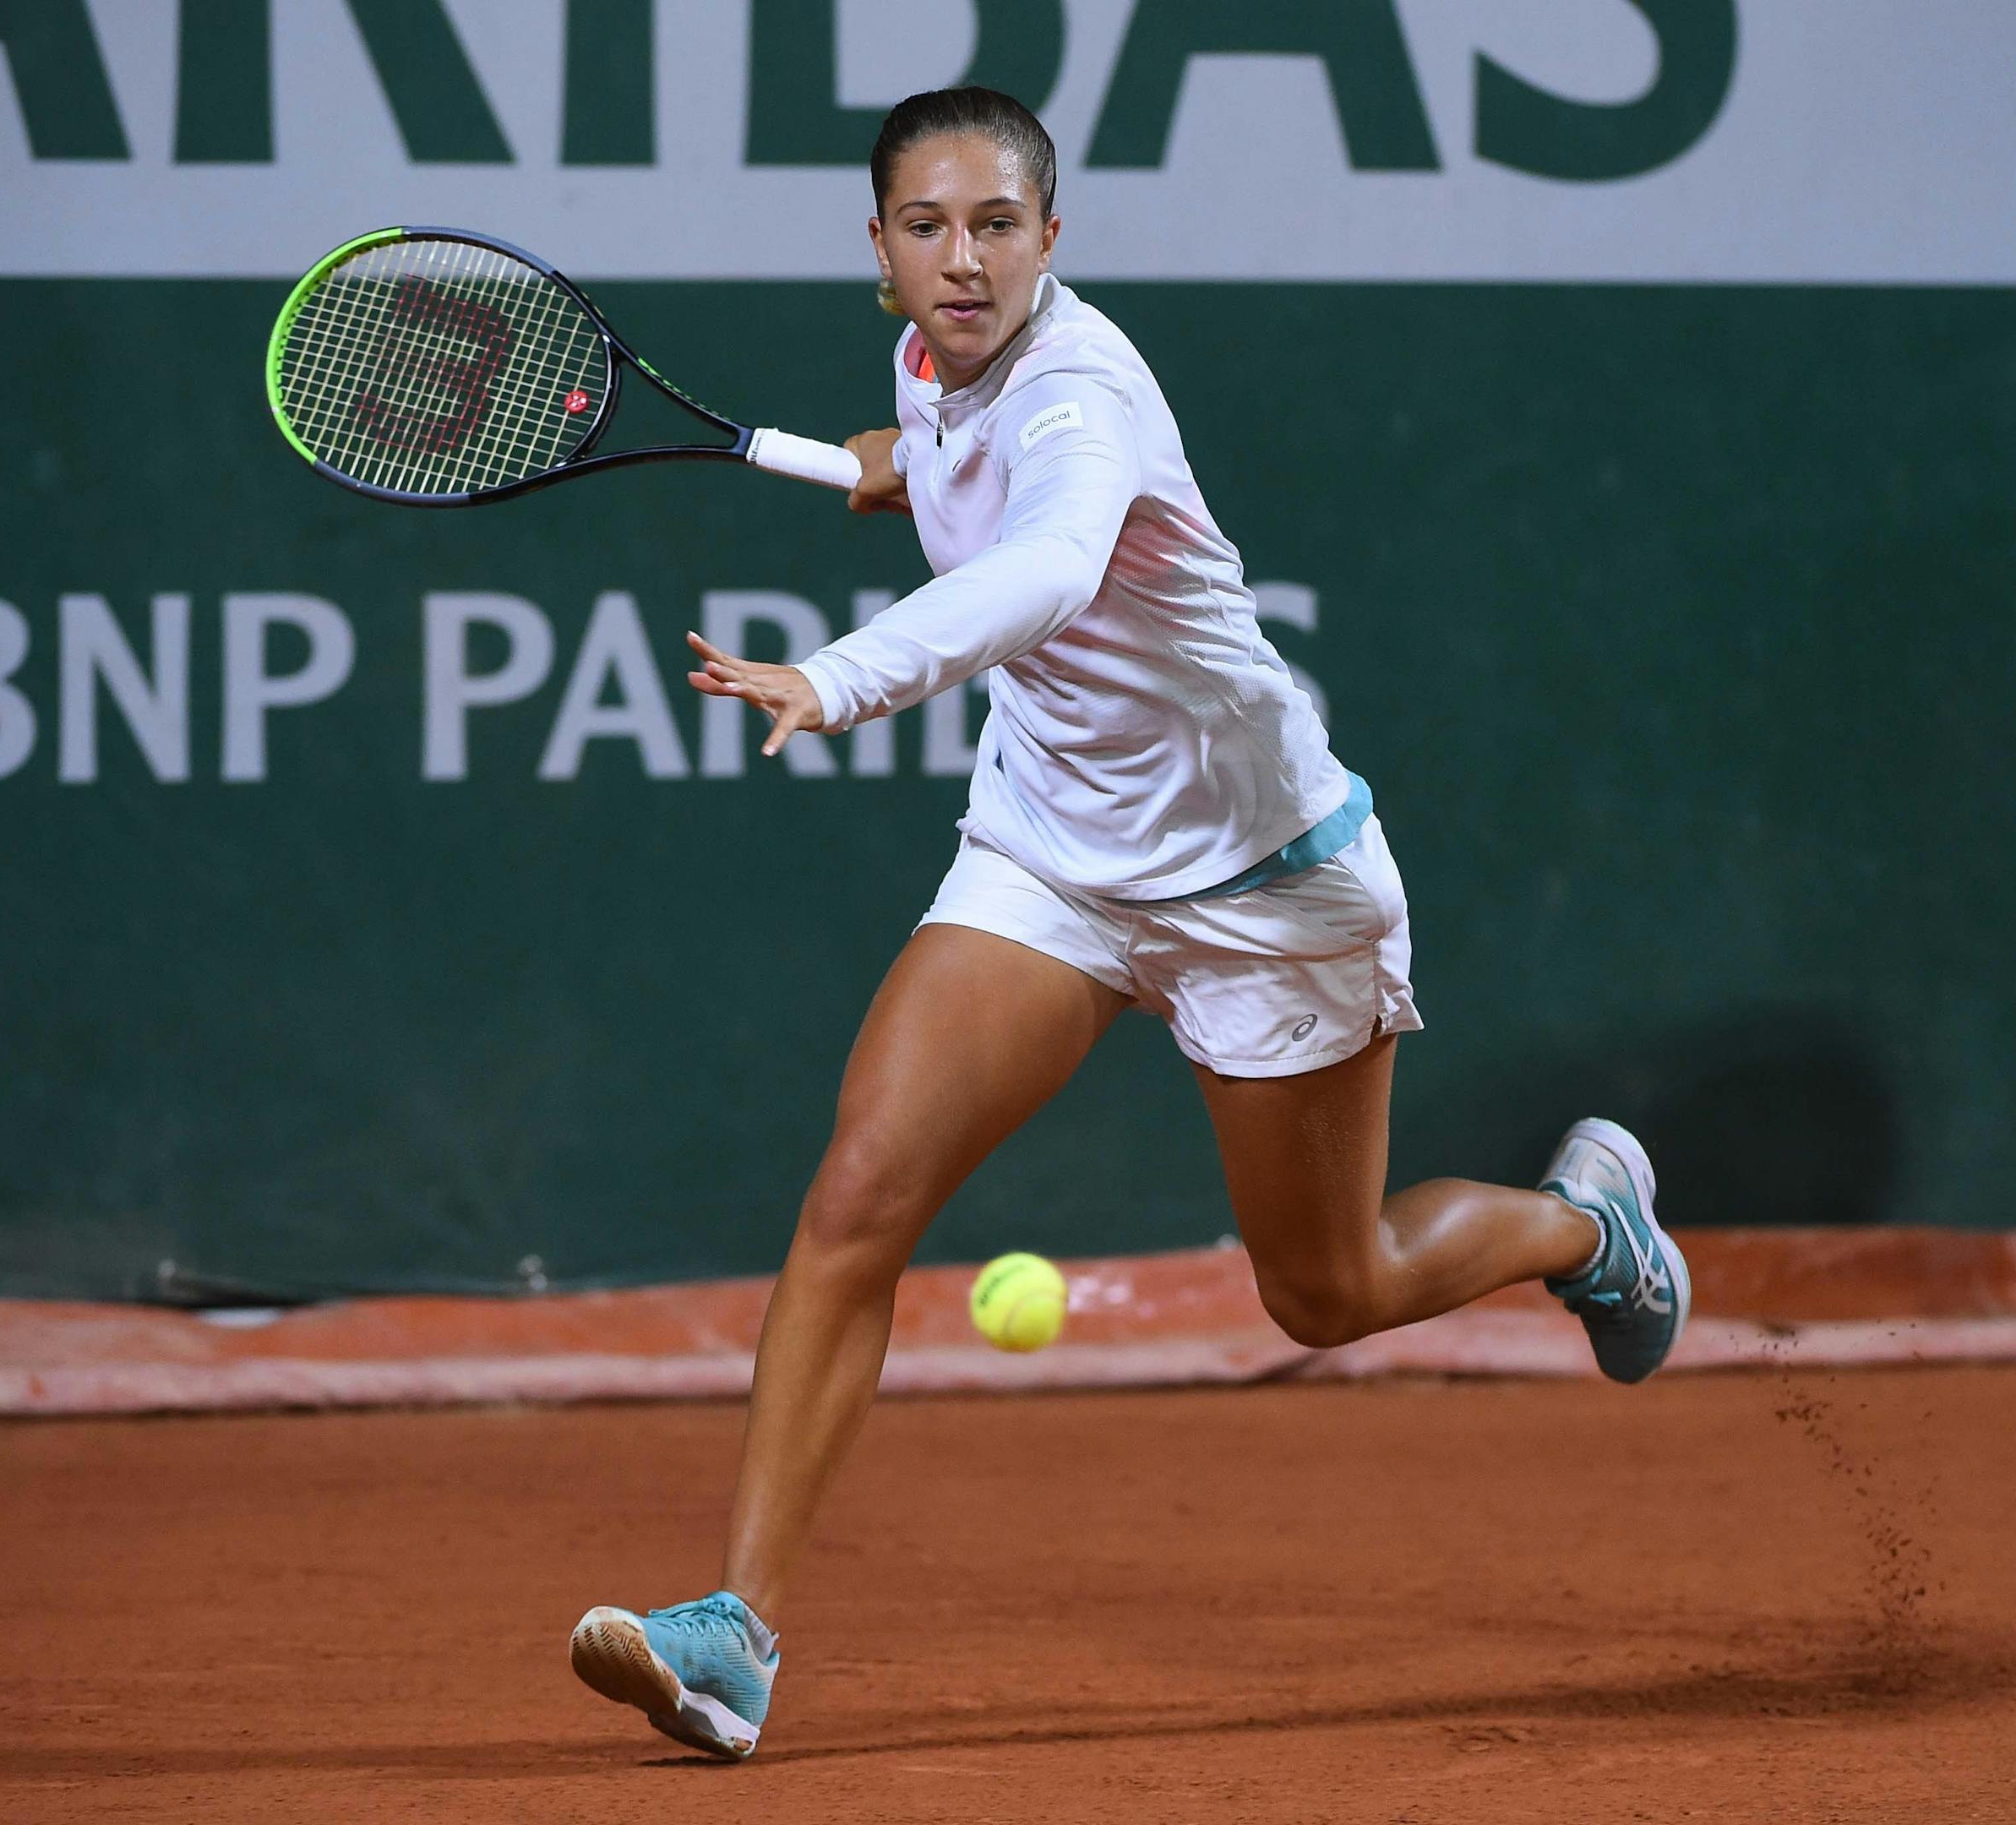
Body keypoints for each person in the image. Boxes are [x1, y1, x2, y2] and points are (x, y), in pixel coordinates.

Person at [562, 87, 1692, 1760]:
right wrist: (899, 468)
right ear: (879, 252)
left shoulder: (1084, 389)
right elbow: (947, 470)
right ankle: (735, 1638)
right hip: (1052, 855)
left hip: (1262, 885)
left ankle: (1588, 1230)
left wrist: (841, 674)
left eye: (998, 226)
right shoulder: (936, 366)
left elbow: (1044, 569)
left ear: (1051, 238)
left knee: (1327, 1289)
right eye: (928, 228)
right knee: (861, 1191)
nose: (964, 258)